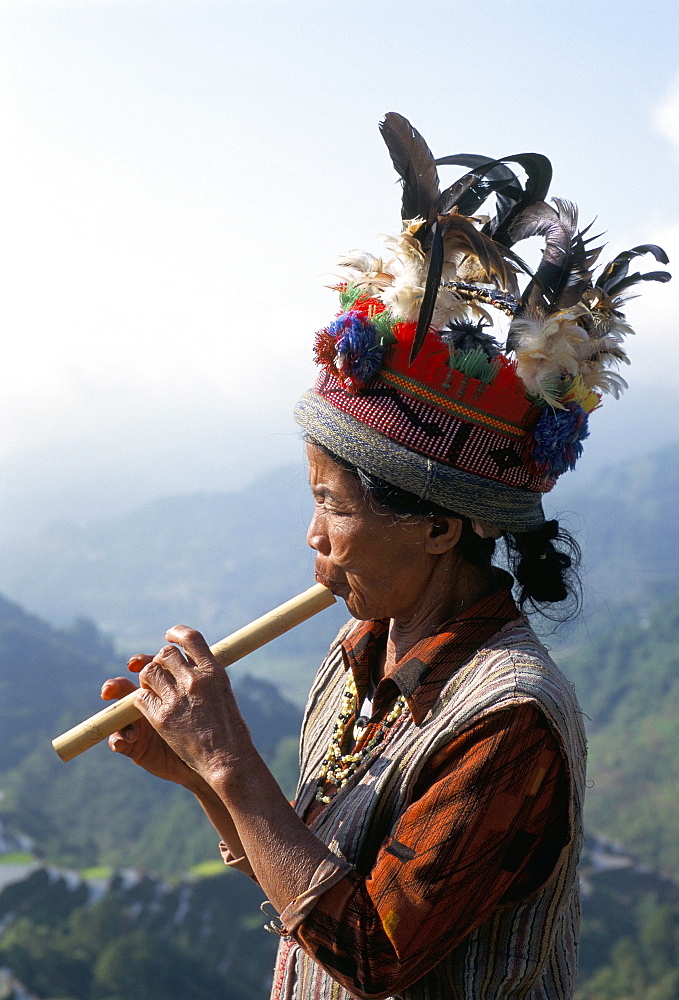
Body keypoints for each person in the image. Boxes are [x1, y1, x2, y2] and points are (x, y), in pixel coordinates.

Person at [101, 114, 669, 999]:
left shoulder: (508, 719)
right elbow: (308, 889)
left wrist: (231, 763)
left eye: (333, 504)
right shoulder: (362, 656)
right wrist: (197, 775)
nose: (313, 536)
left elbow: (373, 952)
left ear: (441, 526)